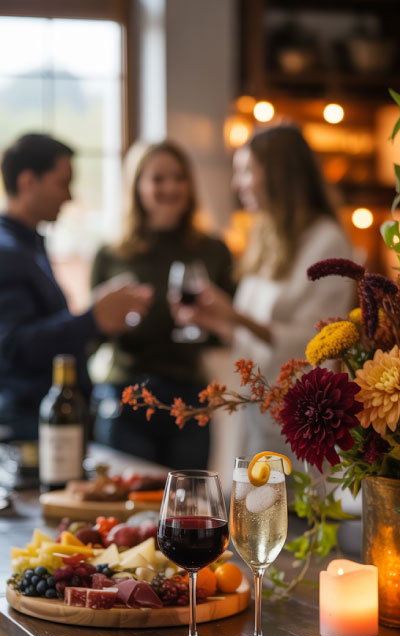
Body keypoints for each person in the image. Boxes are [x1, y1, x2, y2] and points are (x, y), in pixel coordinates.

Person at [174, 124, 355, 458]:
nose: (236, 184)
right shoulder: (267, 236)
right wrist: (216, 320)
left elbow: (314, 342)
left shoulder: (326, 242)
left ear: (278, 175)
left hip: (300, 412)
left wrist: (236, 316)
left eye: (245, 171)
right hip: (257, 405)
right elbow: (252, 339)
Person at [90, 140, 234, 469]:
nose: (170, 187)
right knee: (131, 508)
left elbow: (229, 329)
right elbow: (93, 334)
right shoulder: (111, 254)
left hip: (190, 398)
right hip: (127, 397)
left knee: (186, 512)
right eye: (158, 179)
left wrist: (210, 322)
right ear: (138, 186)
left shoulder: (213, 250)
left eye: (178, 177)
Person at [0, 133, 152, 441]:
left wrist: (100, 318)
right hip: (30, 420)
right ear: (28, 181)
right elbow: (14, 346)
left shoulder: (27, 245)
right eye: (62, 182)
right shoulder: (6, 251)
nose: (69, 196)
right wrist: (92, 318)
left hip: (46, 416)